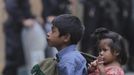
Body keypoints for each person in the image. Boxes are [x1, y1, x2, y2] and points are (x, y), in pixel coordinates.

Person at [2, 0, 34, 75]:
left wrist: (33, 18)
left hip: (19, 28)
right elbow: (11, 6)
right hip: (14, 28)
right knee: (13, 56)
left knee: (21, 59)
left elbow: (25, 9)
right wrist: (22, 20)